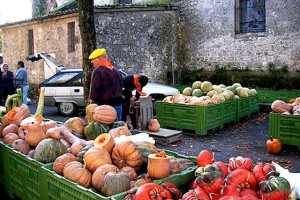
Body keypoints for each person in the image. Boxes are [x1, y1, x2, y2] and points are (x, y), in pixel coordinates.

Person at [88, 48, 123, 121]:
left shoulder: (98, 71)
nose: (91, 62)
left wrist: (90, 103)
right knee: (117, 129)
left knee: (106, 131)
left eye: (93, 59)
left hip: (106, 108)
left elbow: (95, 90)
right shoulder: (115, 70)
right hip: (119, 105)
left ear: (99, 58)